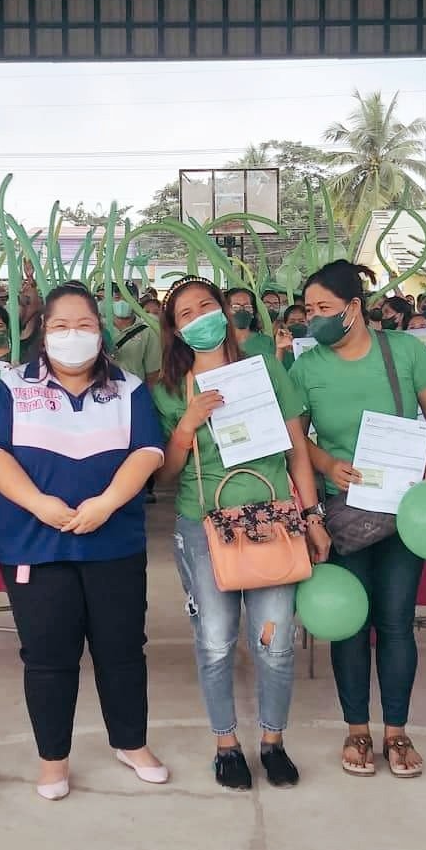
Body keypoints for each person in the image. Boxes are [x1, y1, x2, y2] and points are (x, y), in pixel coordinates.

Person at [0, 284, 167, 799]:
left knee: (122, 649)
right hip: (37, 546)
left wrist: (106, 503)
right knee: (48, 656)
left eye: (84, 325)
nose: (72, 335)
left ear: (100, 333)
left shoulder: (127, 388)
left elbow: (147, 451)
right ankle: (53, 760)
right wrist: (39, 503)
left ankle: (131, 742)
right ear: (43, 333)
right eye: (61, 326)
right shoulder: (14, 386)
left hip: (113, 544)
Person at [153, 278, 329, 791]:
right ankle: (225, 744)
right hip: (204, 526)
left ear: (225, 311)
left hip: (274, 519)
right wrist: (187, 423)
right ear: (175, 329)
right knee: (214, 642)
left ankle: (273, 741)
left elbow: (297, 445)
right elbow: (164, 476)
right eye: (186, 313)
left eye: (206, 305)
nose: (199, 316)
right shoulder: (167, 387)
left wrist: (312, 515)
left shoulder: (264, 366)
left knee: (274, 642)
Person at [291, 261, 426, 778]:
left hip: (402, 511)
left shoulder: (404, 351)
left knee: (397, 623)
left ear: (354, 307)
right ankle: (357, 729)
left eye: (324, 309)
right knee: (349, 624)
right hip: (343, 515)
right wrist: (326, 464)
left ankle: (397, 733)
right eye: (309, 310)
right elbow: (297, 442)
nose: (313, 318)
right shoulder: (307, 367)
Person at [108, 285, 162, 391]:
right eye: (118, 298)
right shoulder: (100, 327)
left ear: (136, 301)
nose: (122, 302)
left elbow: (152, 374)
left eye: (127, 298)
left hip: (133, 392)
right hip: (103, 393)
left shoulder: (147, 331)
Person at [223, 286, 277, 361]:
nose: (242, 310)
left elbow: (274, 367)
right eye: (236, 307)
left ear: (253, 312)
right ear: (226, 311)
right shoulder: (219, 342)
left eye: (247, 306)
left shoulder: (266, 342)